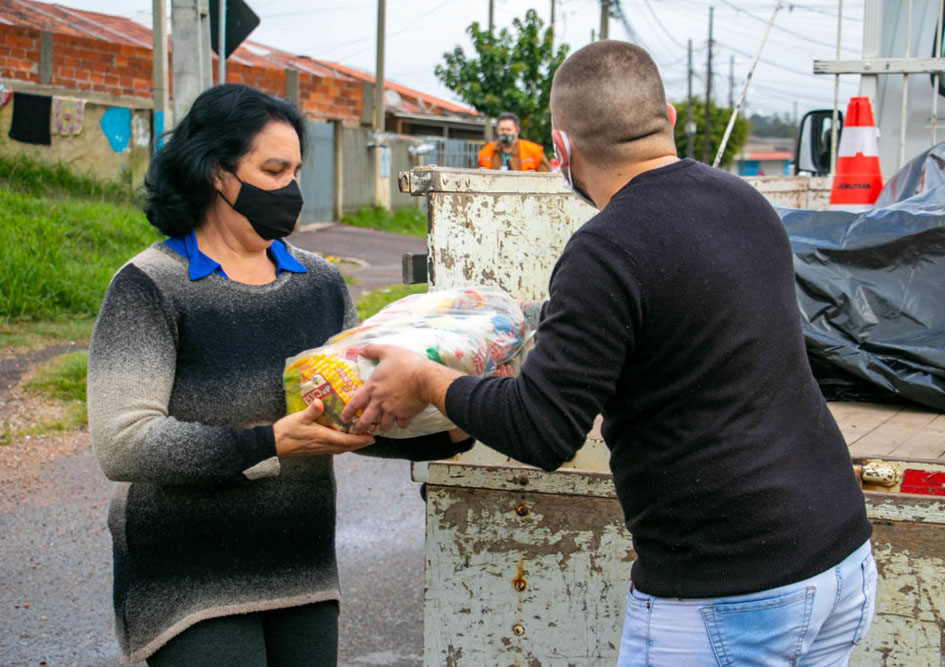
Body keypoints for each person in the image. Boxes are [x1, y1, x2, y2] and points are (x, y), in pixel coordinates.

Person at [340, 41, 876, 665]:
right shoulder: (745, 203)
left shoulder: (606, 248)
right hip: (839, 558)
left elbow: (543, 431)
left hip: (731, 592)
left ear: (561, 151)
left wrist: (429, 380)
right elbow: (678, 325)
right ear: (668, 119)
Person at [87, 83, 472, 666]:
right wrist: (269, 443)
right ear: (217, 173)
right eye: (273, 169)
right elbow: (123, 445)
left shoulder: (319, 283)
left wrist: (454, 420)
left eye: (295, 170)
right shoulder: (149, 285)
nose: (291, 188)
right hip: (189, 579)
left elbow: (347, 417)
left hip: (301, 567)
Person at [477, 112, 552, 172]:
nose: (505, 133)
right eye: (502, 129)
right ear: (497, 130)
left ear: (517, 131)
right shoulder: (487, 151)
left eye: (508, 129)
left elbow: (547, 178)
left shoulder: (533, 151)